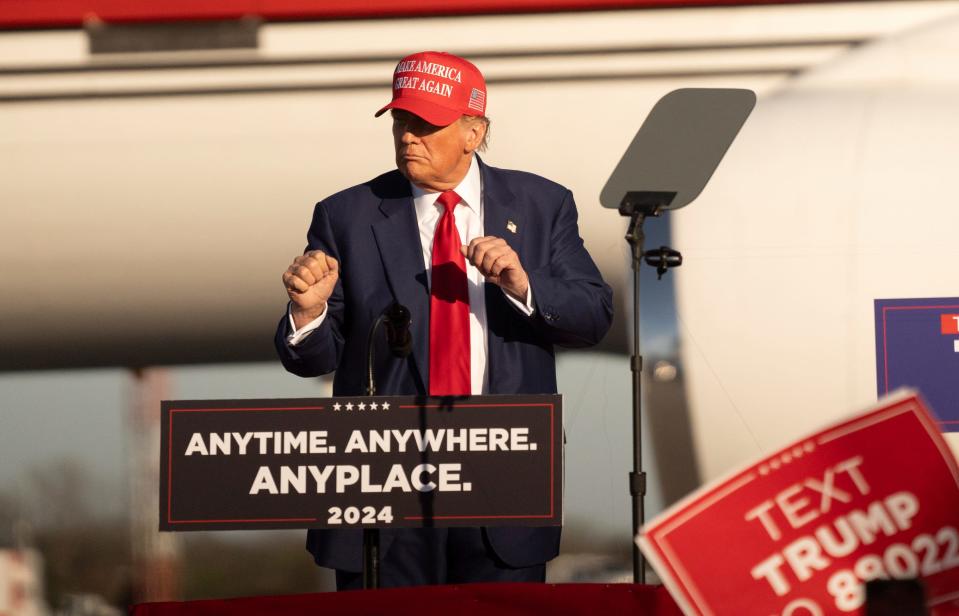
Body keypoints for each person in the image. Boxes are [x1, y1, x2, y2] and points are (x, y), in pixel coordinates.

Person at [275, 50, 612, 589]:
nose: (408, 136)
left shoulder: (541, 204)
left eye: (426, 124)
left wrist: (524, 286)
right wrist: (308, 313)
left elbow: (593, 316)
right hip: (383, 474)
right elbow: (312, 357)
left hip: (503, 466)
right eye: (402, 121)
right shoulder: (347, 215)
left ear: (473, 132)